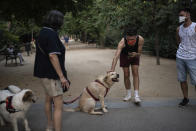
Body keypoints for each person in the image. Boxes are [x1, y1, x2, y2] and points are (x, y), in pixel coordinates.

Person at [34, 10, 70, 131]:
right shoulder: (51, 34)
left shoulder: (42, 32)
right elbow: (52, 56)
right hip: (52, 75)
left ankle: (49, 126)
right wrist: (62, 77)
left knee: (48, 99)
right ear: (57, 21)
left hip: (44, 73)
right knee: (58, 105)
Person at [109, 27, 144, 103]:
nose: (130, 41)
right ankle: (128, 94)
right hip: (124, 56)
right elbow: (116, 56)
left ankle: (136, 95)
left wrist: (136, 54)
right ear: (126, 36)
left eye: (132, 39)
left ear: (136, 36)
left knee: (135, 72)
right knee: (126, 74)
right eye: (129, 39)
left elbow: (139, 53)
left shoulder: (140, 39)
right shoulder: (122, 42)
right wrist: (112, 69)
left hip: (135, 55)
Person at [176, 8, 196, 106]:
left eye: (182, 15)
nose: (180, 17)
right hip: (180, 57)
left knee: (195, 80)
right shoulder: (179, 28)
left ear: (188, 15)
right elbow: (179, 41)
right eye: (179, 15)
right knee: (182, 79)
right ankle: (185, 98)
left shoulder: (195, 26)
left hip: (193, 57)